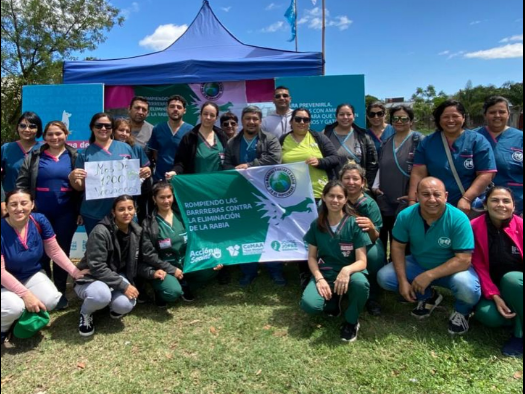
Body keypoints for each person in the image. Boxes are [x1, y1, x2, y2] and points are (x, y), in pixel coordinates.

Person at [377, 177, 481, 335]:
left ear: (445, 196)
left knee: (467, 288)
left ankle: (462, 311)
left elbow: (464, 261)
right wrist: (403, 281)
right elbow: (397, 247)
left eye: (437, 194)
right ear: (417, 196)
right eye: (425, 194)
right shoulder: (406, 215)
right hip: (419, 263)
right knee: (385, 277)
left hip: (452, 270)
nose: (432, 199)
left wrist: (429, 275)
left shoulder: (459, 219)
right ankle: (429, 296)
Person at [1, 189, 88, 343]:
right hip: (3, 282)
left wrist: (75, 272)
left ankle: (18, 319)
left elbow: (54, 250)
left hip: (30, 274)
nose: (19, 208)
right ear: (6, 207)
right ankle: (3, 329)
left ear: (32, 204)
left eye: (24, 203)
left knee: (52, 299)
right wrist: (26, 295)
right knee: (13, 307)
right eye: (13, 204)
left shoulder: (39, 220)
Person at [16, 121, 82, 310]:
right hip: (38, 213)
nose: (55, 138)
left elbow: (82, 187)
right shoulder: (35, 155)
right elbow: (22, 182)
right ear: (44, 137)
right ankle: (45, 290)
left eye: (58, 134)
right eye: (50, 134)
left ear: (66, 135)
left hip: (66, 212)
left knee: (62, 251)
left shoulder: (74, 155)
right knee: (41, 252)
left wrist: (79, 210)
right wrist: (25, 204)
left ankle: (60, 290)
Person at [300, 181, 371, 343]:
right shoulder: (317, 225)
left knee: (361, 285)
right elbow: (311, 257)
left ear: (346, 200)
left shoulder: (354, 223)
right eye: (331, 195)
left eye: (340, 196)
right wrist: (319, 279)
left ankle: (351, 321)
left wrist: (346, 271)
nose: (335, 200)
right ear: (323, 197)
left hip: (352, 273)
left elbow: (362, 261)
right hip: (325, 272)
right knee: (310, 305)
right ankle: (333, 299)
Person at [223, 106, 285, 286]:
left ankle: (275, 270)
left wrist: (249, 165)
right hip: (242, 193)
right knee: (245, 232)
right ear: (242, 120)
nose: (251, 122)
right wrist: (233, 169)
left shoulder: (270, 139)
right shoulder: (233, 142)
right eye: (248, 118)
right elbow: (226, 164)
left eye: (255, 119)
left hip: (266, 193)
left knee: (271, 231)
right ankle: (248, 270)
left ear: (260, 121)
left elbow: (275, 159)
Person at [281, 108, 341, 289]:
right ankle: (304, 272)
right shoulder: (283, 140)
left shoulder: (318, 138)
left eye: (306, 119)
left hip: (319, 194)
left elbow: (335, 158)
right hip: (294, 196)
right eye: (298, 119)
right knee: (303, 236)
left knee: (321, 234)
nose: (302, 122)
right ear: (291, 121)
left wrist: (320, 162)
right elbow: (273, 163)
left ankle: (326, 270)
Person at [409, 100, 497, 216]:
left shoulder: (477, 140)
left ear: (463, 118)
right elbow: (418, 174)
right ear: (439, 119)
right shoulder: (428, 142)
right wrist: (412, 200)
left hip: (468, 207)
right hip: (435, 205)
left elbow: (486, 174)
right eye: (445, 117)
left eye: (455, 116)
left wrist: (467, 199)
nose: (450, 120)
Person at [140, 182, 223, 305]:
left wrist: (211, 257)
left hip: (187, 263)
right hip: (164, 267)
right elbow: (148, 255)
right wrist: (171, 269)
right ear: (154, 199)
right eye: (162, 197)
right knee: (172, 293)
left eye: (169, 196)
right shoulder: (148, 223)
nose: (166, 201)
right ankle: (163, 290)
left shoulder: (183, 216)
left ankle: (185, 285)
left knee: (213, 268)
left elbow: (197, 239)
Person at [68, 113, 150, 235]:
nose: (103, 129)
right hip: (94, 212)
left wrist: (145, 172)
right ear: (92, 127)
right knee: (98, 250)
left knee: (124, 250)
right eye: (99, 125)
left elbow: (134, 177)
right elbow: (80, 187)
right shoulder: (85, 154)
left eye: (107, 126)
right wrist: (72, 178)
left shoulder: (126, 148)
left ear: (112, 128)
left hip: (123, 212)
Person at [74, 196, 141, 337]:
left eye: (130, 208)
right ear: (113, 212)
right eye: (121, 209)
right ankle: (86, 312)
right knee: (100, 296)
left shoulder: (136, 231)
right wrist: (124, 286)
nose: (126, 213)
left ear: (135, 210)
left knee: (126, 304)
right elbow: (97, 267)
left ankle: (110, 305)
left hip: (115, 275)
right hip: (91, 276)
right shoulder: (100, 231)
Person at [472, 187, 523, 357]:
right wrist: (494, 295)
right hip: (495, 290)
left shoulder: (522, 226)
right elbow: (478, 264)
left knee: (511, 279)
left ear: (513, 207)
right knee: (488, 316)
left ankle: (519, 335)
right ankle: (516, 317)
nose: (501, 205)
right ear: (485, 205)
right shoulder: (474, 227)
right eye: (495, 200)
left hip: (518, 284)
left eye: (506, 201)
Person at [373, 106, 424, 259]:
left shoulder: (419, 140)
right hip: (385, 197)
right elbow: (381, 166)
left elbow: (425, 170)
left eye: (404, 118)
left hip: (407, 199)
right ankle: (382, 268)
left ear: (411, 121)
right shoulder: (387, 142)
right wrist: (375, 187)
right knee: (383, 234)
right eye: (396, 118)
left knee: (403, 238)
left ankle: (402, 270)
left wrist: (414, 196)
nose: (399, 122)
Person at [340, 163, 386, 316]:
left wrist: (371, 228)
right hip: (340, 242)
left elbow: (376, 236)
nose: (351, 182)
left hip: (366, 243)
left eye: (355, 178)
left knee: (373, 256)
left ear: (363, 182)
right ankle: (337, 290)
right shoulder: (335, 199)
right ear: (340, 180)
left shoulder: (369, 204)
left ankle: (372, 296)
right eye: (346, 178)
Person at [477, 96, 523, 216]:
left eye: (502, 112)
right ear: (485, 115)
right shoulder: (473, 137)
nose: (497, 115)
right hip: (480, 205)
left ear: (508, 114)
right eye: (492, 112)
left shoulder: (520, 138)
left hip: (516, 205)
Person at [323, 104, 378, 187]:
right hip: (334, 188)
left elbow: (372, 164)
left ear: (354, 116)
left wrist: (366, 185)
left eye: (348, 114)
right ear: (336, 117)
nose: (345, 117)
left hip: (356, 187)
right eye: (341, 114)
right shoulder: (325, 135)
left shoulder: (363, 136)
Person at [169, 102, 229, 177]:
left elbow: (229, 160)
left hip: (218, 184)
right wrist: (175, 172)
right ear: (200, 115)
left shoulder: (222, 136)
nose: (208, 117)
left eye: (212, 115)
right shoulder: (189, 137)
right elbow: (180, 162)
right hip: (197, 185)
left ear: (216, 118)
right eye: (205, 114)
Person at [113, 118, 153, 223]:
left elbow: (147, 167)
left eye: (127, 131)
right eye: (121, 130)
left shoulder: (136, 148)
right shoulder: (108, 148)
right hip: (111, 195)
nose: (124, 134)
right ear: (113, 131)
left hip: (133, 196)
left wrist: (147, 170)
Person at [148, 95, 194, 182]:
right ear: (167, 109)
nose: (175, 109)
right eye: (172, 106)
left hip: (183, 178)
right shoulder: (158, 128)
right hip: (161, 177)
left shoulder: (191, 130)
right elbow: (155, 154)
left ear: (184, 110)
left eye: (179, 107)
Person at [1, 112, 43, 193]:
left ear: (38, 129)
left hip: (38, 201)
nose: (27, 129)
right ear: (17, 127)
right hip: (10, 201)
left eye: (32, 126)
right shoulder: (6, 148)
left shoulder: (44, 149)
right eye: (23, 126)